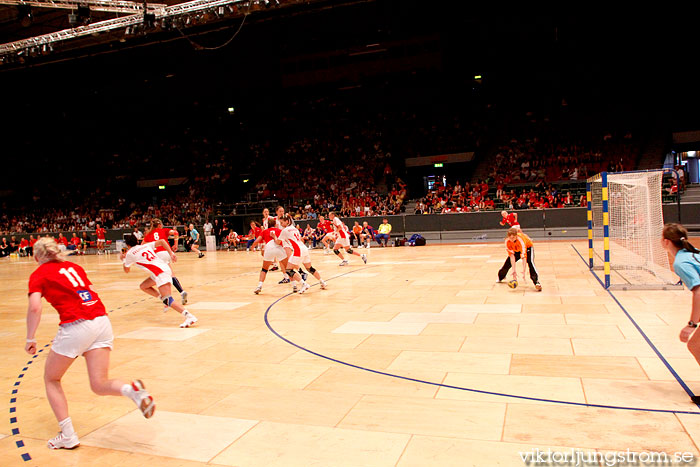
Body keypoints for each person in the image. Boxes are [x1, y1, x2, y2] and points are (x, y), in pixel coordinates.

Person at [25, 237, 155, 450]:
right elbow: (90, 290)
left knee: (51, 379)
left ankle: (68, 435)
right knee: (99, 384)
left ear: (37, 256)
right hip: (101, 321)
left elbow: (35, 307)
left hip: (76, 325)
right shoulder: (74, 267)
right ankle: (132, 391)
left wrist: (30, 338)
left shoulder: (38, 274)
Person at [121, 234, 198, 328]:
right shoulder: (144, 246)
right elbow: (162, 241)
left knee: (168, 299)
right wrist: (171, 253)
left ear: (128, 245)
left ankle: (189, 316)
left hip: (160, 272)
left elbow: (126, 270)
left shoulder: (129, 253)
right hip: (162, 269)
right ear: (137, 241)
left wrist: (123, 259)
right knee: (144, 286)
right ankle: (161, 298)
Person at [661, 223, 700, 403]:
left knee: (695, 346)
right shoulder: (694, 252)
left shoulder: (681, 262)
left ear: (666, 241)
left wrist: (691, 324)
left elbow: (699, 291)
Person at [274, 214, 326, 293]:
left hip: (298, 250)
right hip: (304, 248)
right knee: (309, 268)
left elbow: (278, 242)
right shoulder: (294, 229)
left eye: (282, 222)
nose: (281, 224)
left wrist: (274, 236)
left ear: (287, 221)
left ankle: (304, 284)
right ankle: (322, 282)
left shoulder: (284, 230)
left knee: (288, 270)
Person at [143, 219, 188, 305]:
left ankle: (166, 297)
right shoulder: (164, 230)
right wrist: (175, 244)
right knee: (170, 274)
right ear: (159, 225)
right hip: (166, 252)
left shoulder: (149, 234)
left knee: (159, 276)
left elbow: (142, 246)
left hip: (158, 255)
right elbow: (176, 233)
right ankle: (181, 292)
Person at [250, 225, 289, 294]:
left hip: (269, 249)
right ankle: (297, 284)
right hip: (279, 249)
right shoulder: (280, 230)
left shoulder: (265, 231)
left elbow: (257, 240)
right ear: (275, 224)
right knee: (289, 268)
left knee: (264, 269)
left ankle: (259, 286)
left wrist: (252, 247)